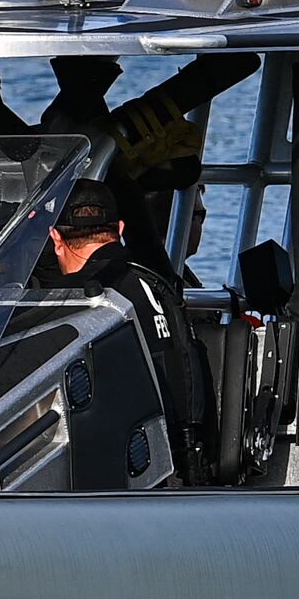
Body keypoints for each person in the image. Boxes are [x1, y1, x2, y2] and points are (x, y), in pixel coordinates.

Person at [42, 179, 208, 479]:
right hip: (179, 461)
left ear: (55, 238)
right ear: (119, 230)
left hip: (121, 475)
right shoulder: (156, 287)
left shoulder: (73, 302)